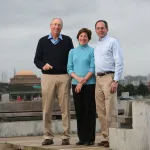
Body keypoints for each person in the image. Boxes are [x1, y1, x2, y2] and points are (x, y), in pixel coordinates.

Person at [34, 18, 74, 146]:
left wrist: (70, 74)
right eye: (55, 24)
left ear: (62, 27)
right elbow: (37, 60)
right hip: (47, 77)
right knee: (47, 108)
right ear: (50, 26)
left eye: (59, 25)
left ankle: (66, 136)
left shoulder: (67, 40)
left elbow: (72, 58)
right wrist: (43, 66)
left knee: (65, 108)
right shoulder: (42, 41)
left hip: (64, 76)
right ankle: (47, 136)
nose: (57, 27)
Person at [94, 20, 124, 147]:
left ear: (107, 29)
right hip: (98, 79)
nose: (100, 30)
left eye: (102, 28)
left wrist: (116, 80)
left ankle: (113, 138)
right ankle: (106, 137)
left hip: (109, 77)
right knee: (100, 109)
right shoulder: (97, 45)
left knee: (110, 108)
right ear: (96, 30)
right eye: (98, 28)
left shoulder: (113, 42)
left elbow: (119, 61)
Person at [67, 28, 96, 146]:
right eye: (81, 36)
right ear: (78, 37)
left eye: (85, 36)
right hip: (75, 84)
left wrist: (82, 82)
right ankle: (82, 138)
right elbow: (69, 68)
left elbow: (92, 68)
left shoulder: (92, 51)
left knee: (89, 111)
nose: (83, 38)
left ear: (88, 38)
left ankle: (90, 138)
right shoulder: (72, 52)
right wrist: (78, 80)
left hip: (89, 84)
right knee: (80, 111)